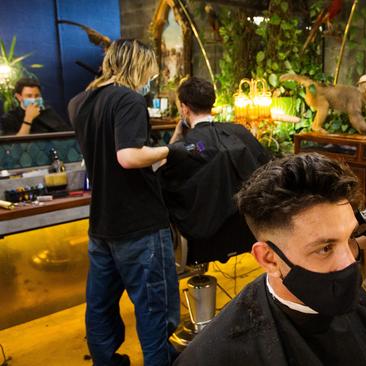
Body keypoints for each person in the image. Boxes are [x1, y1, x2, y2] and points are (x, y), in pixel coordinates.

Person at [174, 153, 366, 366]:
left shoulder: (350, 302)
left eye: (350, 238)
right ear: (268, 259)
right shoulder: (214, 355)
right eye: (325, 248)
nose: (348, 262)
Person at [68, 39, 184, 366]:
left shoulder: (79, 102)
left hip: (102, 224)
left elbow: (107, 153)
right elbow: (129, 157)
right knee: (154, 307)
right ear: (139, 64)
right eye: (151, 70)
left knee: (100, 305)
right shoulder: (128, 99)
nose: (152, 78)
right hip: (140, 224)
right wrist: (171, 150)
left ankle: (107, 361)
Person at [156, 76, 271, 265]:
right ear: (212, 103)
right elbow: (265, 167)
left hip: (205, 241)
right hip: (247, 231)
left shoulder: (193, 145)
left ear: (184, 108)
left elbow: (163, 180)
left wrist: (177, 137)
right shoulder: (239, 133)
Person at [0, 77, 70, 135]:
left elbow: (68, 135)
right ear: (19, 97)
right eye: (29, 96)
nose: (34, 99)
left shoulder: (48, 112)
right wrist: (28, 119)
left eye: (37, 96)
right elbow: (16, 147)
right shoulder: (10, 117)